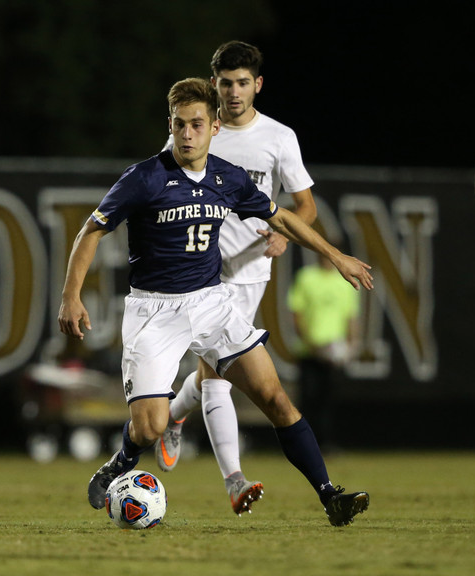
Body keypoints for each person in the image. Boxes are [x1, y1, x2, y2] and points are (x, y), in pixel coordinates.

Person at [58, 77, 372, 527]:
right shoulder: (144, 177)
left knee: (275, 397)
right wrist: (71, 296)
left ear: (214, 127)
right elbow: (91, 231)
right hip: (154, 311)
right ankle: (121, 460)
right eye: (180, 124)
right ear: (170, 124)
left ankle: (330, 497)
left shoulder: (228, 177)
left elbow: (281, 216)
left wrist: (335, 255)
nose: (188, 134)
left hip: (211, 303)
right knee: (149, 426)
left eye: (197, 125)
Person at [155, 40, 319, 516]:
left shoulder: (278, 137)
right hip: (199, 275)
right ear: (214, 85)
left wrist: (284, 233)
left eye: (243, 83)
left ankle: (173, 415)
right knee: (218, 377)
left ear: (258, 85)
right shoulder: (196, 130)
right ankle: (234, 479)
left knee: (216, 374)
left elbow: (305, 205)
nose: (234, 91)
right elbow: (159, 183)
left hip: (250, 276)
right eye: (226, 83)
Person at [288, 251, 360, 451]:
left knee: (328, 400)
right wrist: (309, 343)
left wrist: (352, 344)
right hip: (309, 351)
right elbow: (297, 312)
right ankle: (302, 444)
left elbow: (350, 316)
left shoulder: (344, 281)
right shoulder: (307, 277)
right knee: (307, 399)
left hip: (334, 353)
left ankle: (326, 444)